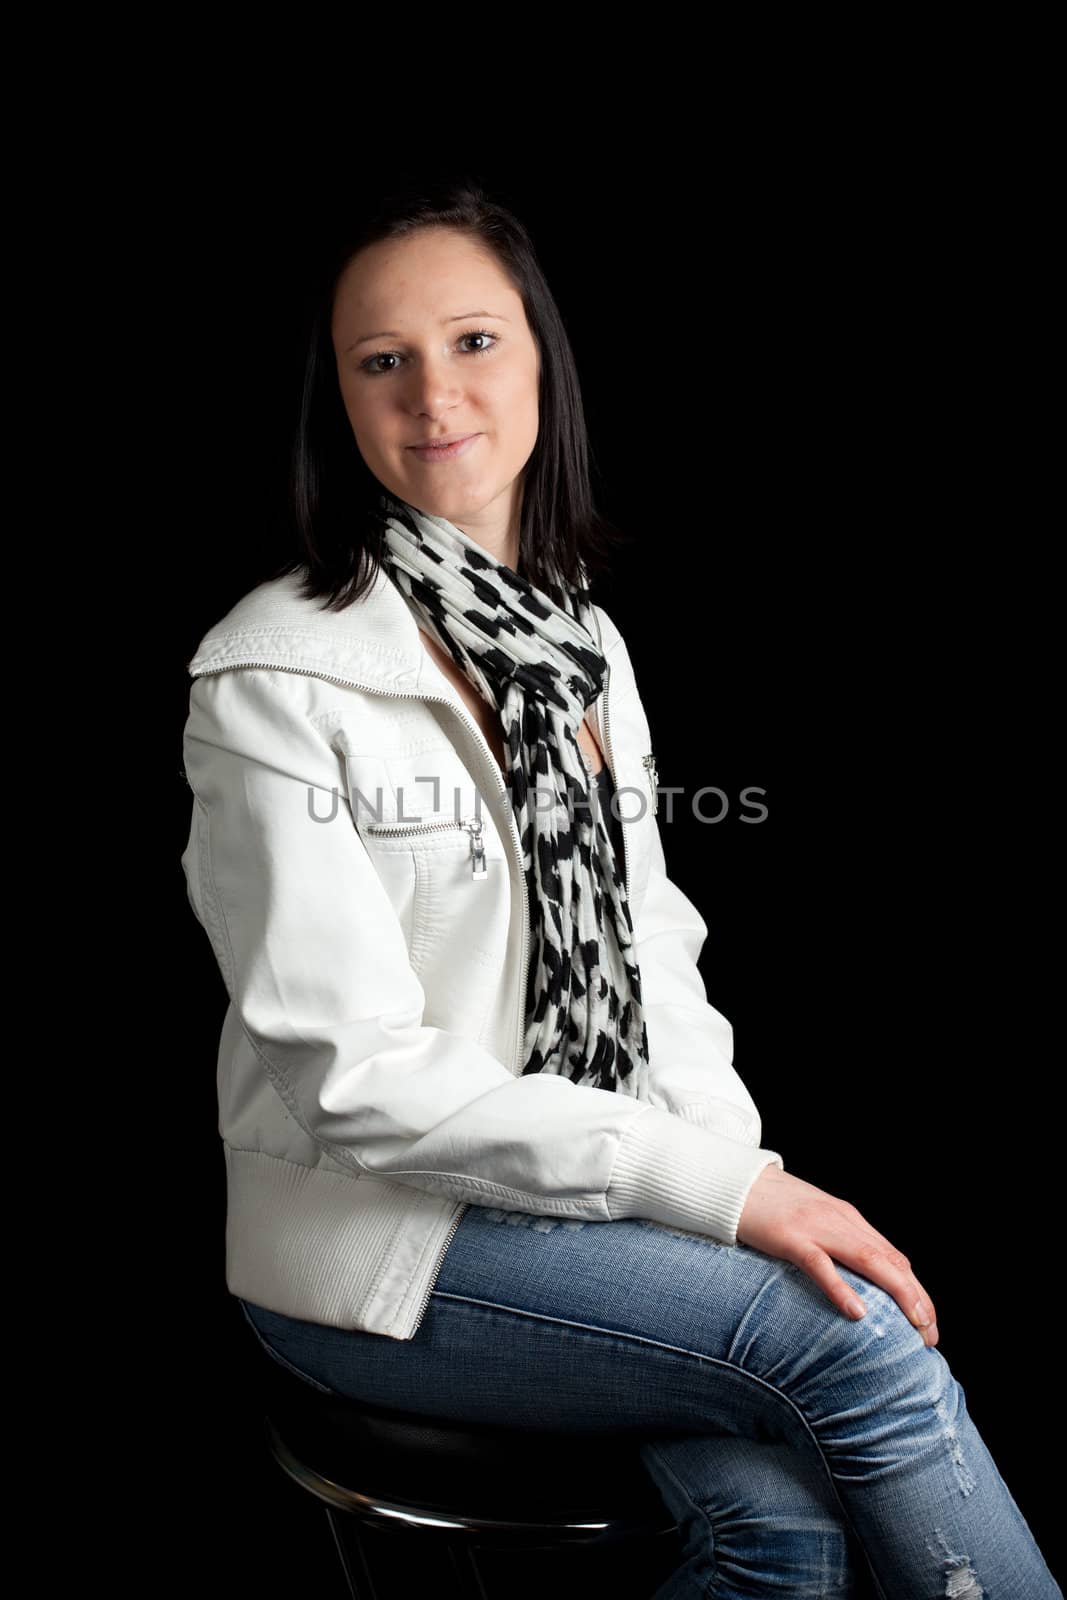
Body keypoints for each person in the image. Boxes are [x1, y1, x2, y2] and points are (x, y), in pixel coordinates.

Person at [180, 180, 1060, 1599]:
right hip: (376, 1242)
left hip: (579, 1219)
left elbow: (657, 959)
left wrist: (734, 1179)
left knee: (784, 1526)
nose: (435, 397)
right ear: (336, 398)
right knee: (855, 1351)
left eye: (473, 342)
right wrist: (717, 1198)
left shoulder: (583, 643)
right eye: (381, 360)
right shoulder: (273, 674)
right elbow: (346, 1076)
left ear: (540, 359)